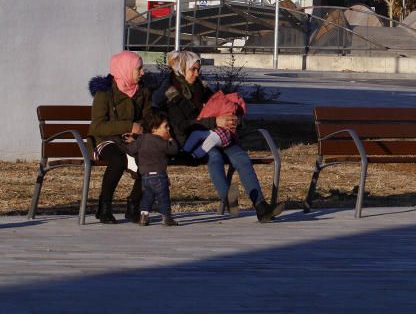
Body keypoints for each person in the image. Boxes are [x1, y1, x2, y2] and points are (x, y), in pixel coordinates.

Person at [153, 50, 283, 223]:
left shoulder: (201, 87)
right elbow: (182, 126)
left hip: (218, 134)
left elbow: (219, 104)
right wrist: (215, 121)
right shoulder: (171, 93)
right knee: (214, 157)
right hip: (193, 141)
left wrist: (232, 119)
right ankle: (229, 200)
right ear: (181, 69)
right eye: (193, 70)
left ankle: (261, 207)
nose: (197, 73)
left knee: (241, 158)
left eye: (198, 69)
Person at [89, 50, 151, 224]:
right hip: (104, 140)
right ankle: (104, 206)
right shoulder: (105, 93)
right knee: (117, 159)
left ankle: (133, 204)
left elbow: (149, 118)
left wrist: (139, 131)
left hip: (131, 140)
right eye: (139, 68)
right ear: (125, 68)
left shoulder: (143, 91)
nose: (143, 72)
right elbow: (97, 126)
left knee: (150, 159)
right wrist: (128, 126)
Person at [123, 110, 179, 226]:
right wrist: (171, 140)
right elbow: (173, 150)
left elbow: (131, 149)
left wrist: (131, 142)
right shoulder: (161, 142)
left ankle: (144, 215)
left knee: (147, 197)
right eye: (165, 127)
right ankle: (166, 217)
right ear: (154, 128)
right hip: (159, 176)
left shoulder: (142, 139)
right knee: (163, 197)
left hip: (145, 177)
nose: (168, 129)